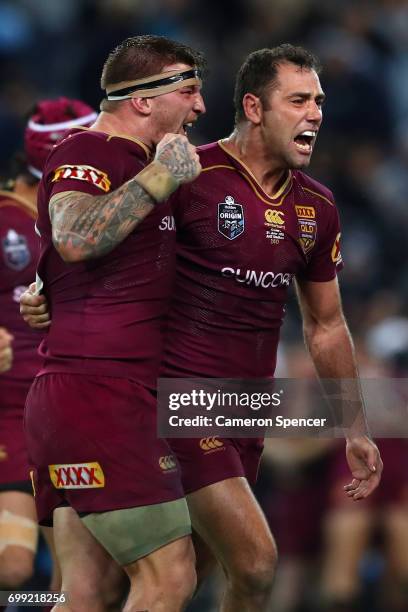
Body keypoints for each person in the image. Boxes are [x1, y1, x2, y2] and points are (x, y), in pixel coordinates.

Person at [21, 44, 382, 612]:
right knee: (254, 563)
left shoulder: (318, 207)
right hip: (173, 402)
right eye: (299, 100)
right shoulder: (190, 172)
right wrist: (47, 294)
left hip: (244, 409)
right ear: (255, 108)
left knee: (122, 584)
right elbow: (101, 246)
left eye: (319, 100)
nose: (316, 112)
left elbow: (328, 325)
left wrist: (354, 425)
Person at [21, 35, 205, 612]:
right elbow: (75, 237)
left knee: (85, 592)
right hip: (101, 395)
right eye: (189, 90)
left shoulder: (138, 164)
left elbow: (70, 265)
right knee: (170, 579)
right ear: (143, 100)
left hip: (88, 393)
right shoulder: (92, 152)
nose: (200, 107)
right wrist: (160, 179)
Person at [0, 97, 96, 608]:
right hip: (11, 415)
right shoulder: (3, 217)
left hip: (69, 412)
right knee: (15, 567)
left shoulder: (86, 224)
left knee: (76, 584)